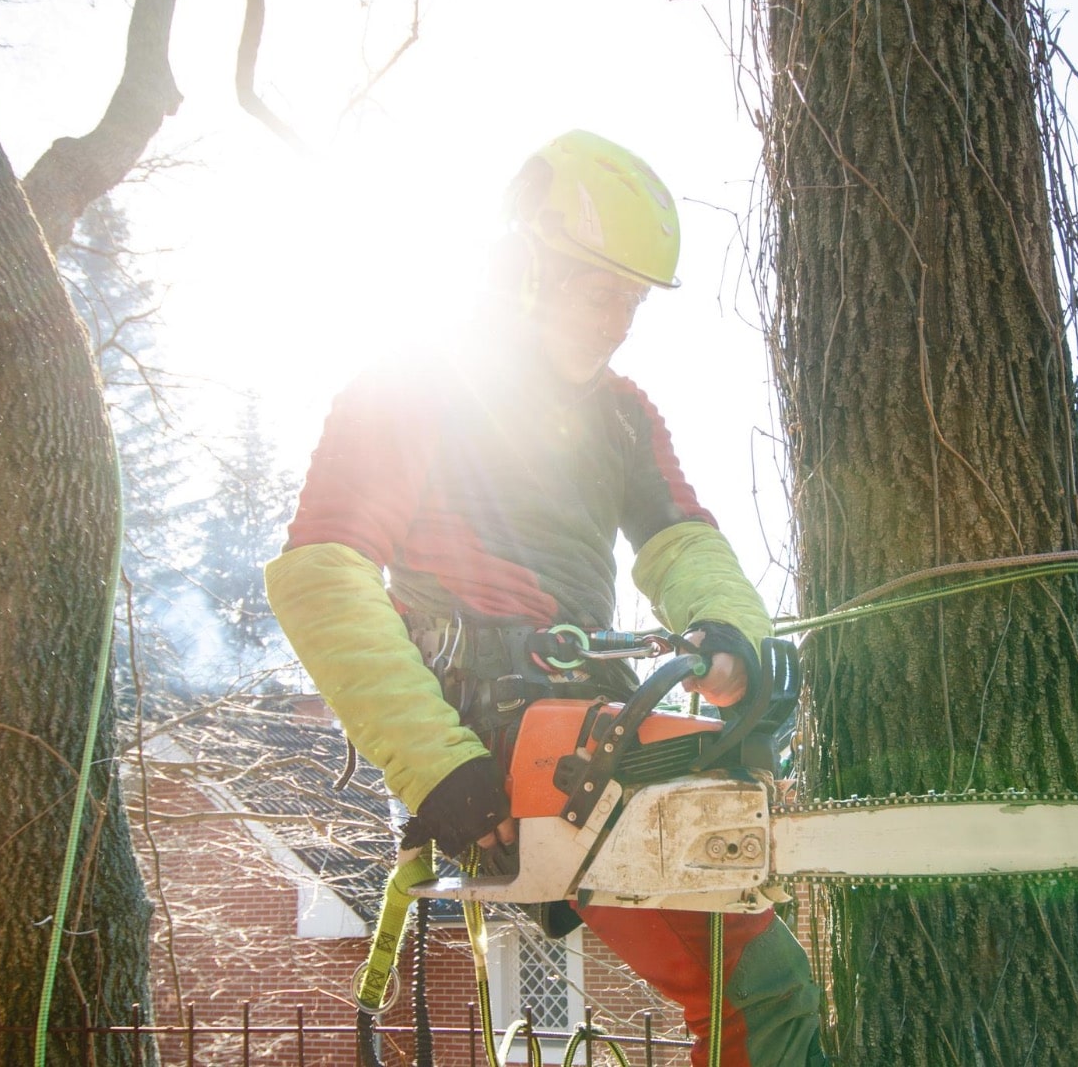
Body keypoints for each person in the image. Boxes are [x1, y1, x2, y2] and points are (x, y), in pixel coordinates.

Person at [263, 130, 826, 1067]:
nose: (619, 320)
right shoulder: (414, 382)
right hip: (496, 734)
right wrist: (437, 767)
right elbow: (323, 577)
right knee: (758, 1000)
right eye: (600, 288)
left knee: (754, 917)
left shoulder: (622, 412)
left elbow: (686, 543)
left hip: (594, 722)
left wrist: (732, 639)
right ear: (525, 261)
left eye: (635, 301)